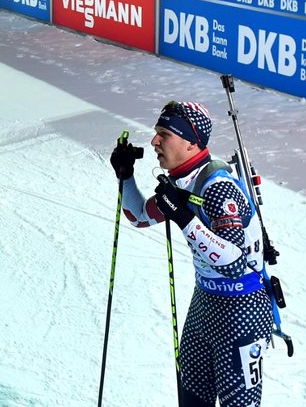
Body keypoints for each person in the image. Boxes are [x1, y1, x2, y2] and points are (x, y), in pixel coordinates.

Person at [109, 101, 273, 407]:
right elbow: (140, 217)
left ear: (190, 141)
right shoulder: (181, 180)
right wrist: (125, 175)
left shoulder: (218, 188)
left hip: (241, 312)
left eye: (164, 134)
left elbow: (235, 263)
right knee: (192, 401)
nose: (154, 141)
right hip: (204, 307)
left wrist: (184, 217)